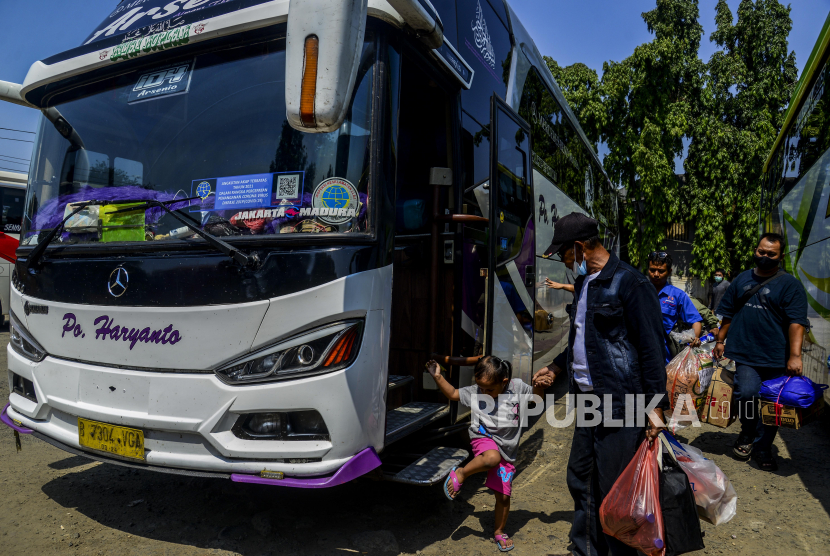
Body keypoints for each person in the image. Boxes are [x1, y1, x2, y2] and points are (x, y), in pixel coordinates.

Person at [534, 212, 668, 556]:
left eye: (564, 254)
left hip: (622, 402)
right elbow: (582, 341)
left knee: (614, 486)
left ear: (579, 247)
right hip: (589, 401)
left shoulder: (630, 283)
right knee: (581, 476)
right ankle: (587, 548)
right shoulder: (584, 284)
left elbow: (652, 349)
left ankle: (616, 551)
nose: (565, 262)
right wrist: (556, 366)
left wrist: (655, 407)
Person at [426, 356, 549, 552]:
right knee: (492, 458)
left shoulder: (517, 388)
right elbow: (453, 394)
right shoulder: (477, 391)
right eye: (480, 387)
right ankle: (461, 473)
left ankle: (499, 531)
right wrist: (437, 376)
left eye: (489, 389)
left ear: (504, 382)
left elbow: (538, 400)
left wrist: (538, 386)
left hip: (507, 449)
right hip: (483, 437)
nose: (483, 392)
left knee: (503, 497)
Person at [713, 233, 808, 472]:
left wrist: (795, 356)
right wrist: (721, 340)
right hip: (745, 353)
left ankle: (763, 446)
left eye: (771, 254)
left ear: (781, 256)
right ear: (755, 250)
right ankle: (747, 433)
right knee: (746, 394)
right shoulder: (742, 279)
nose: (765, 257)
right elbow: (728, 314)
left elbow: (797, 322)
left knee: (771, 404)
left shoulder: (790, 285)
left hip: (777, 357)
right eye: (761, 252)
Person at [646, 251, 703, 360]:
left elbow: (695, 321)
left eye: (661, 271)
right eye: (652, 270)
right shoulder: (638, 291)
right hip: (639, 349)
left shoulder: (678, 295)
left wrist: (694, 338)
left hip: (665, 354)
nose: (656, 274)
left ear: (669, 272)